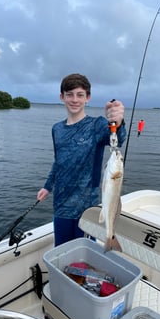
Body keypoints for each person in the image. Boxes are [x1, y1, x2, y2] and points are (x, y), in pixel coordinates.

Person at [37, 73, 126, 246]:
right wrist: (47, 186)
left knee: (83, 256)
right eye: (69, 94)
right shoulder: (57, 129)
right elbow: (58, 162)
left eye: (80, 95)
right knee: (61, 251)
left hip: (86, 207)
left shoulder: (97, 125)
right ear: (61, 97)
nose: (74, 99)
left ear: (88, 98)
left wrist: (118, 122)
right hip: (61, 204)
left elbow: (118, 139)